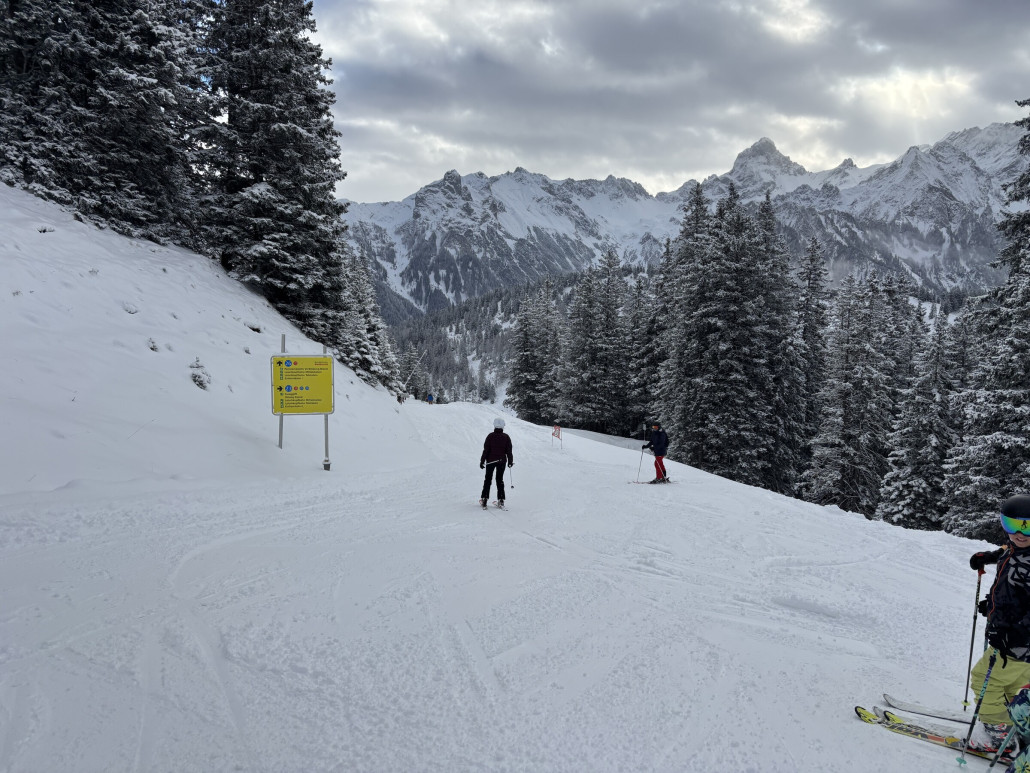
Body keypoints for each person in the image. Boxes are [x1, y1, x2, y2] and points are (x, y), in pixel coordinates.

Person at [966, 494, 1030, 754]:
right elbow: (1008, 551)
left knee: (985, 679)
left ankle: (996, 732)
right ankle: (1015, 722)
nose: (1018, 533)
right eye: (1011, 525)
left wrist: (1012, 632)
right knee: (1014, 685)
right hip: (1017, 643)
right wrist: (987, 557)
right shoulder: (1016, 548)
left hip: (1015, 643)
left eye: (1027, 526)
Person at [480, 418, 513, 508]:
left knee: (488, 480)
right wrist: (510, 462)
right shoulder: (506, 437)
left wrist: (482, 461)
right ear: (503, 426)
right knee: (499, 480)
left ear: (494, 425)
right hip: (502, 461)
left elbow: (486, 450)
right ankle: (501, 500)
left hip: (490, 461)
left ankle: (485, 499)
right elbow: (509, 451)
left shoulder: (490, 436)